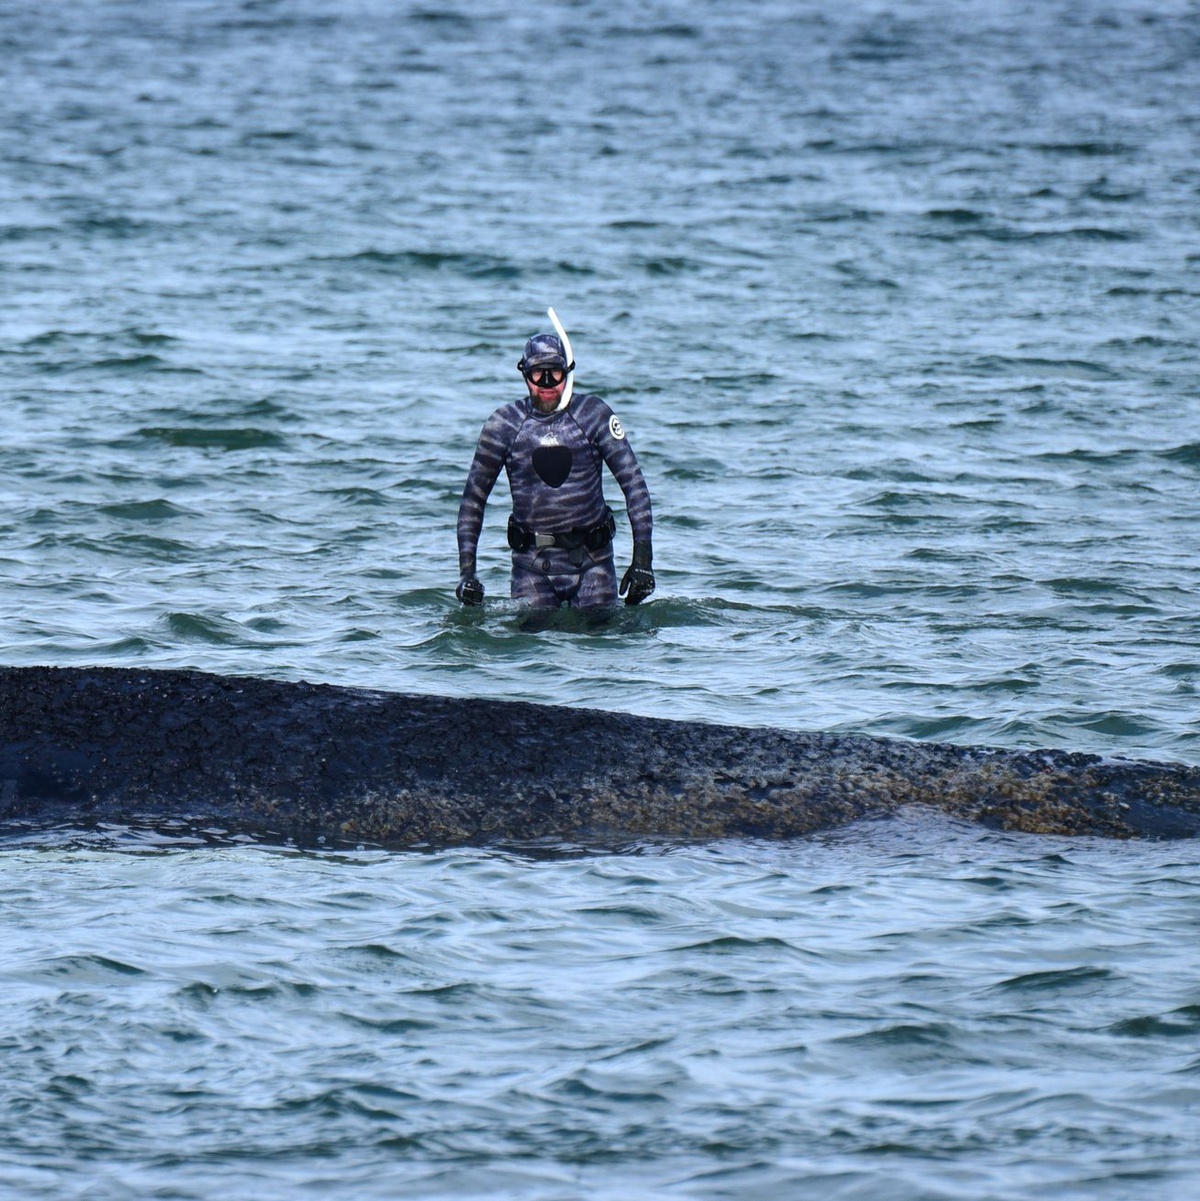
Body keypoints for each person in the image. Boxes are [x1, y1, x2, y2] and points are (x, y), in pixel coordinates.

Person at [456, 327, 654, 609]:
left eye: (555, 373)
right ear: (525, 373)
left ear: (568, 372)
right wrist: (467, 575)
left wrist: (643, 562)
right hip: (531, 568)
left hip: (593, 565)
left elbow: (634, 486)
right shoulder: (504, 425)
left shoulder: (594, 416)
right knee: (531, 647)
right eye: (538, 374)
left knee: (599, 642)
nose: (547, 382)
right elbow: (473, 501)